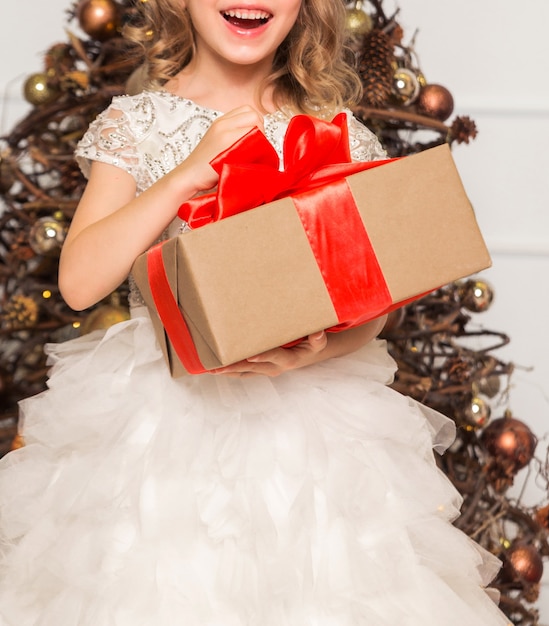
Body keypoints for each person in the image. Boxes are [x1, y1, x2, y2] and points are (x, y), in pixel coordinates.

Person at [0, 1, 511, 624]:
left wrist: (318, 349)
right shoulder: (138, 124)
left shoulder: (334, 132)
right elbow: (79, 282)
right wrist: (188, 174)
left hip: (313, 432)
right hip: (160, 420)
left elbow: (370, 302)